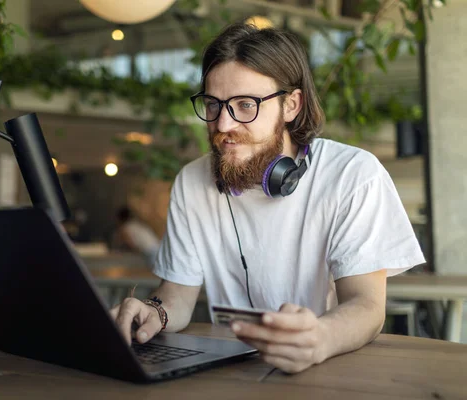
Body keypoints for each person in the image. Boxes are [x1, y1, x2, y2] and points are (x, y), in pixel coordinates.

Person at [110, 22, 425, 374]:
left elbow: (367, 305)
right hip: (233, 376)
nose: (224, 124)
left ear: (291, 105)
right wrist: (155, 312)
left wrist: (320, 338)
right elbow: (177, 296)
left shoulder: (352, 174)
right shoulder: (191, 181)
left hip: (332, 369)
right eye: (213, 105)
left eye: (245, 105)